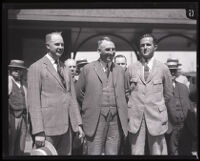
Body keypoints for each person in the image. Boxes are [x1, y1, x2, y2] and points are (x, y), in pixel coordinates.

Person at [27, 31, 84, 155]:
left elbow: (71, 98)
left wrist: (78, 124)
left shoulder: (65, 68)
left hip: (67, 128)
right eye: (57, 44)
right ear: (47, 46)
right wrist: (38, 131)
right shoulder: (36, 68)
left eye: (62, 45)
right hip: (47, 130)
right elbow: (34, 103)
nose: (60, 47)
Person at [75, 36, 128, 155]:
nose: (111, 52)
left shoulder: (120, 70)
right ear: (99, 51)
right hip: (95, 119)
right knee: (94, 152)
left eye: (113, 49)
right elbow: (78, 93)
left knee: (113, 152)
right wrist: (92, 103)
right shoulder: (88, 69)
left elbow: (126, 92)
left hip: (116, 120)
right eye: (107, 49)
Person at [127, 33, 173, 155]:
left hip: (156, 118)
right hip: (136, 118)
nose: (145, 47)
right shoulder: (131, 68)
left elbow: (168, 94)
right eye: (142, 45)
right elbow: (126, 92)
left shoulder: (163, 68)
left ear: (155, 47)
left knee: (157, 152)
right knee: (136, 152)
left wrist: (157, 106)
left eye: (148, 44)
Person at [165, 58, 191, 155]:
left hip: (185, 128)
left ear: (177, 72)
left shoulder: (183, 87)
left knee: (185, 152)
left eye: (174, 70)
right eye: (169, 70)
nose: (172, 73)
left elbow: (189, 106)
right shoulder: (161, 88)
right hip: (170, 128)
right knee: (172, 152)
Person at [8, 60, 28, 155]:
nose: (17, 72)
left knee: (21, 142)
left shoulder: (24, 83)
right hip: (12, 116)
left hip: (23, 116)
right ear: (10, 70)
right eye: (15, 69)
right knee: (11, 141)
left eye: (20, 70)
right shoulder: (8, 81)